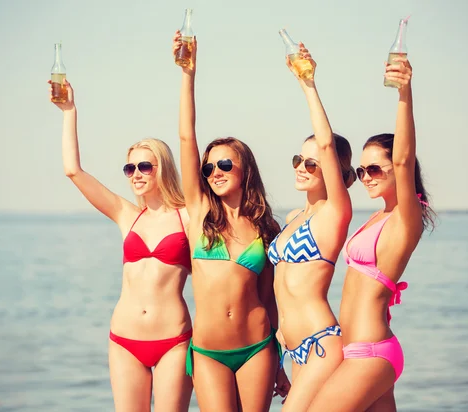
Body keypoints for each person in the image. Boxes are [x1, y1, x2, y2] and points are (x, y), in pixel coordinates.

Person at [49, 79, 193, 412]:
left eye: (145, 166)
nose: (136, 174)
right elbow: (73, 171)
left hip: (174, 340)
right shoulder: (127, 215)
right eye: (130, 168)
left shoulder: (188, 216)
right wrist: (69, 111)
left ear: (163, 168)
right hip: (124, 340)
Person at [308, 57, 435, 411]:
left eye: (376, 168)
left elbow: (405, 159)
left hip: (371, 353)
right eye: (362, 170)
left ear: (396, 170)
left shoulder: (406, 219)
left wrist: (404, 93)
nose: (366, 176)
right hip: (354, 353)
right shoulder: (378, 217)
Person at [173, 31, 290, 411]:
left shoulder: (267, 228)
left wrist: (281, 360)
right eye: (210, 167)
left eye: (225, 163)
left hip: (258, 347)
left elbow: (270, 297)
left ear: (245, 168)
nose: (215, 171)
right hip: (209, 351)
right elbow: (186, 138)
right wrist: (188, 73)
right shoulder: (200, 212)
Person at [268, 43, 356, 411]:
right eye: (298, 159)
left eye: (313, 162)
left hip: (320, 342)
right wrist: (275, 355)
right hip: (292, 350)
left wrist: (308, 85)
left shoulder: (335, 213)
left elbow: (324, 141)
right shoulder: (292, 219)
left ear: (333, 170)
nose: (302, 166)